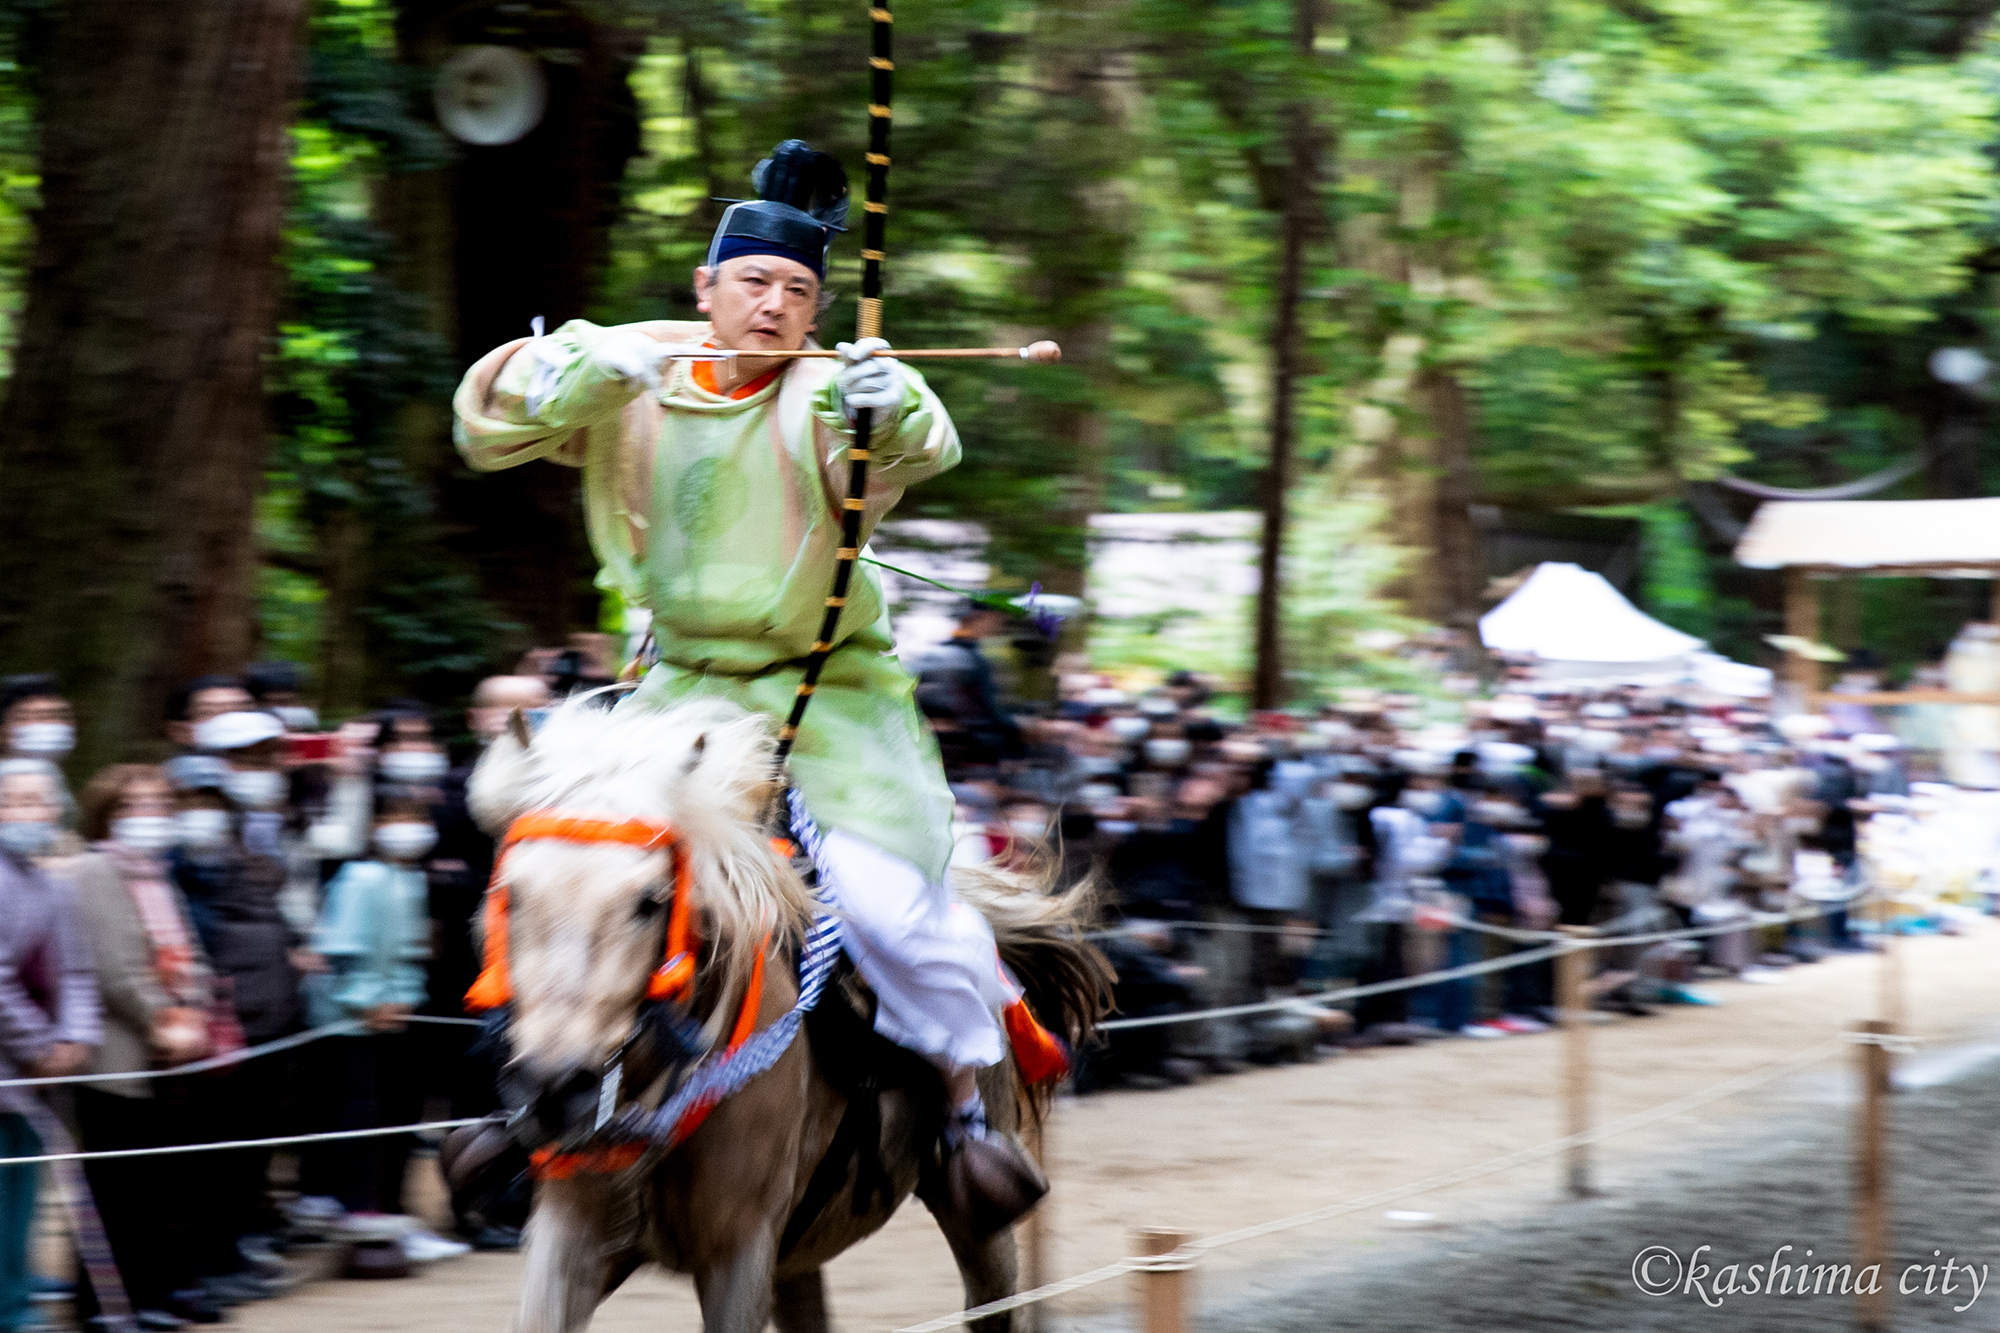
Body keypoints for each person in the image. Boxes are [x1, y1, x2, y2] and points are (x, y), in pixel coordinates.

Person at [453, 137, 1043, 1211]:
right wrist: (592, 370)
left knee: (890, 908)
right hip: (676, 695)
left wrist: (880, 404)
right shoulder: (635, 362)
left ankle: (960, 1116)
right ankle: (531, 1093)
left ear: (818, 310)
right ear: (704, 286)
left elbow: (920, 438)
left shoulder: (831, 391)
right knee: (564, 868)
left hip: (829, 700)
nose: (773, 306)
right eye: (753, 282)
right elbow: (486, 423)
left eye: (798, 291)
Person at [67, 766, 219, 1327]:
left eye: (160, 803)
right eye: (136, 805)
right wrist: (161, 1020)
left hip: (174, 1050)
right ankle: (105, 1305)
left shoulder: (158, 874)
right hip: (119, 1052)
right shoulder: (94, 869)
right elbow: (112, 967)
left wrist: (193, 1011)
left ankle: (152, 1292)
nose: (151, 815)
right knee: (114, 1188)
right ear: (108, 812)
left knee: (158, 1185)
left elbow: (193, 955)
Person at [298, 796, 467, 1264]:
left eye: (416, 822)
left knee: (395, 1119)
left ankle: (389, 1215)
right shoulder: (360, 877)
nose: (408, 831)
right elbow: (343, 950)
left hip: (395, 1019)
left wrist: (404, 997)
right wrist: (366, 1000)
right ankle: (360, 1215)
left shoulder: (411, 879)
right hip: (351, 1022)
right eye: (397, 820)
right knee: (360, 1117)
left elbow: (412, 951)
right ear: (376, 827)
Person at [0, 762, 100, 1333]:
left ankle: (17, 1298)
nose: (23, 812)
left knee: (23, 1197)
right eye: (11, 801)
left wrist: (73, 1039)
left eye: (35, 801)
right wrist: (37, 1045)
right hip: (11, 1061)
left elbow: (78, 972)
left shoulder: (55, 885)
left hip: (39, 1069)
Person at [0, 676, 75, 762]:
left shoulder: (51, 772)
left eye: (60, 715)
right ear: (2, 731)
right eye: (40, 717)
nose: (53, 724)